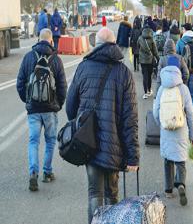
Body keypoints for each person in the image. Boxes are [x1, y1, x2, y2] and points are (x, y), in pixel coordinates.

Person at [65, 27, 139, 224]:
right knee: (112, 194)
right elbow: (130, 118)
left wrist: (81, 123)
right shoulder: (124, 73)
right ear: (114, 44)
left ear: (95, 45)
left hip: (87, 144)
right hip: (114, 147)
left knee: (94, 194)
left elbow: (70, 109)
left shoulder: (83, 67)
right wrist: (133, 156)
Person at [16, 28, 67, 192]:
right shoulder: (56, 60)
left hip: (34, 109)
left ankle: (33, 172)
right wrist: (58, 104)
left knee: (33, 141)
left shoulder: (28, 57)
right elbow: (62, 86)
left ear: (38, 39)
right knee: (51, 141)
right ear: (51, 41)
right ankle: (47, 172)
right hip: (50, 109)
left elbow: (20, 82)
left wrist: (28, 100)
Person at [153, 64, 193, 206]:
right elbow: (190, 112)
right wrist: (192, 134)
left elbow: (155, 111)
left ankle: (168, 190)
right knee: (181, 160)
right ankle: (181, 184)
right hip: (181, 130)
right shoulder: (184, 89)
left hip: (166, 130)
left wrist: (162, 125)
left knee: (168, 160)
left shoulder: (161, 89)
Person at [176, 23, 193, 111]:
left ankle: (183, 114)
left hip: (183, 73)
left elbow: (177, 56)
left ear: (185, 30)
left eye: (182, 29)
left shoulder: (180, 42)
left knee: (183, 94)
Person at [137, 25, 159, 99]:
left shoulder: (140, 38)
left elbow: (138, 47)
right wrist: (158, 58)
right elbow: (155, 50)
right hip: (150, 60)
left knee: (144, 76)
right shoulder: (152, 39)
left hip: (142, 61)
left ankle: (145, 92)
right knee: (149, 75)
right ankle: (149, 90)